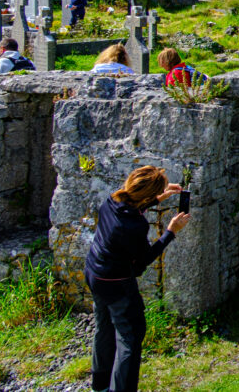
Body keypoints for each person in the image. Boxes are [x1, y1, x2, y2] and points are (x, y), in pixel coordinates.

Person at [84, 165, 190, 392]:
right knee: (130, 338)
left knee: (104, 328)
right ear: (147, 195)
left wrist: (158, 197)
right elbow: (142, 261)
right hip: (117, 284)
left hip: (94, 273)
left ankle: (100, 384)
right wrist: (170, 232)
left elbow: (132, 204)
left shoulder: (113, 199)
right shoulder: (133, 225)